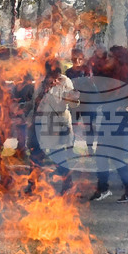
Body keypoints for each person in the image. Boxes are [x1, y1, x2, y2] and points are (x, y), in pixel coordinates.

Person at [89, 45, 128, 203]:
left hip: (118, 120)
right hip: (108, 118)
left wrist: (123, 105)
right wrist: (96, 57)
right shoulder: (110, 72)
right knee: (101, 154)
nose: (108, 59)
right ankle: (103, 188)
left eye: (111, 56)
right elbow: (97, 73)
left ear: (118, 59)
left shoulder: (125, 74)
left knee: (116, 156)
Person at [31, 58, 77, 192]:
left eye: (55, 72)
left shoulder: (65, 81)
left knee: (58, 155)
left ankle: (67, 183)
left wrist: (72, 97)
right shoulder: (41, 82)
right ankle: (33, 184)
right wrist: (45, 89)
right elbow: (35, 102)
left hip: (58, 123)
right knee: (36, 155)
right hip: (42, 122)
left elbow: (73, 103)